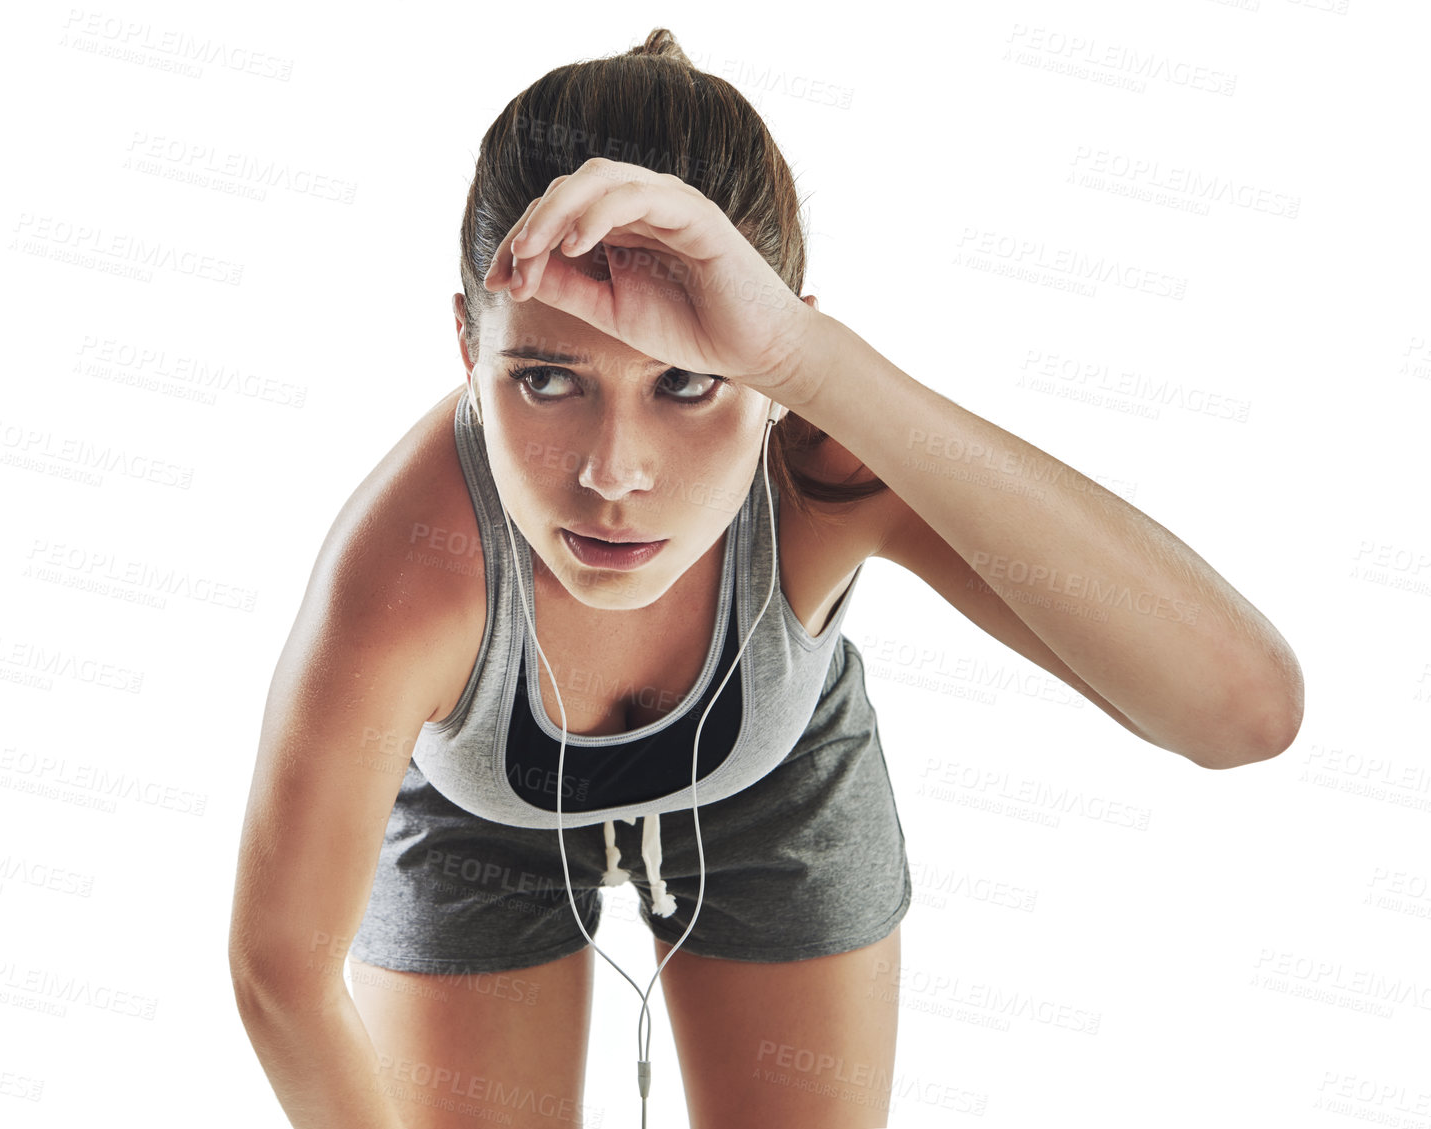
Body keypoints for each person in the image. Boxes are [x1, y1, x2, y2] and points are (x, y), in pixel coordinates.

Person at [229, 28, 1304, 1129]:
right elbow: (283, 977)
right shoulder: (410, 569)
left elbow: (1245, 712)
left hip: (771, 785)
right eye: (548, 378)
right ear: (467, 343)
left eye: (690, 382)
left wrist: (810, 363)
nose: (614, 475)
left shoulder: (811, 475)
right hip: (473, 821)